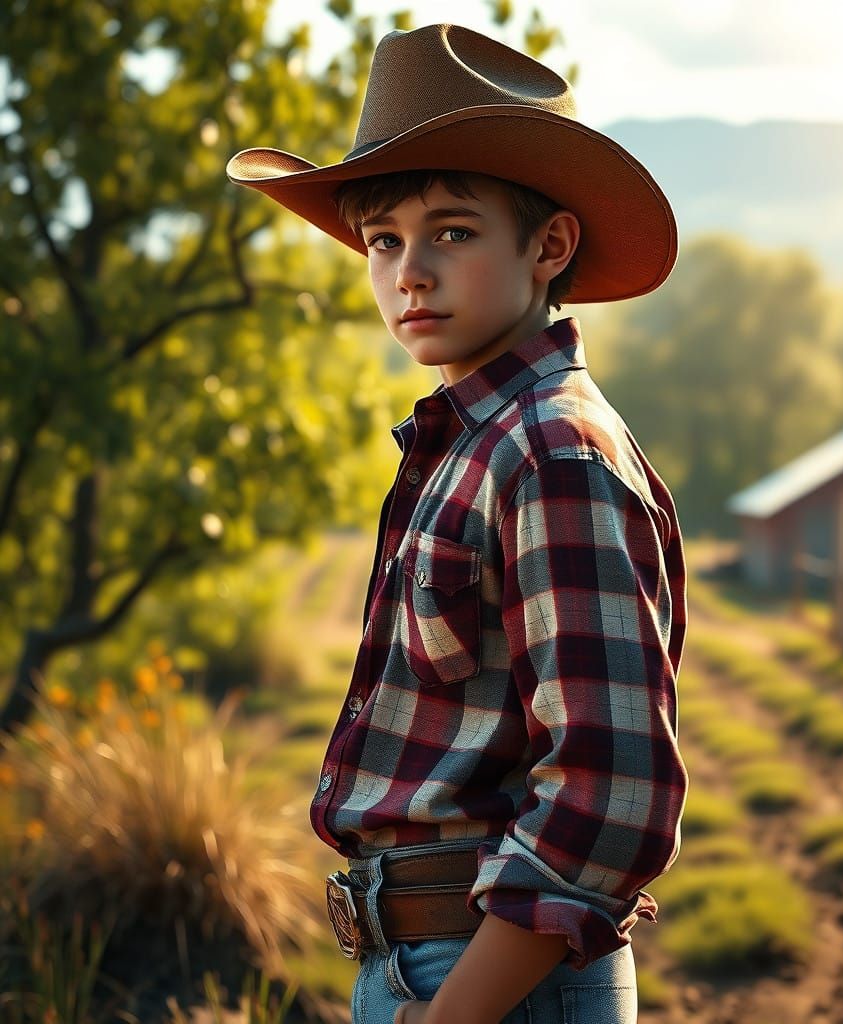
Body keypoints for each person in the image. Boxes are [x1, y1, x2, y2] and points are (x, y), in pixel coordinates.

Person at [226, 22, 688, 1024]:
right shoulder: (471, 440)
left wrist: (454, 1012)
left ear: (549, 245)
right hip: (421, 961)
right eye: (383, 240)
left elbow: (608, 790)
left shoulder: (553, 453)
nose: (409, 272)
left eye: (452, 231)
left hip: (492, 981)